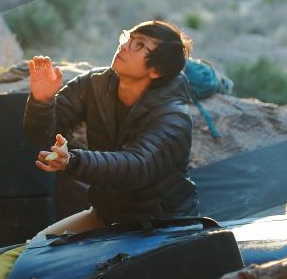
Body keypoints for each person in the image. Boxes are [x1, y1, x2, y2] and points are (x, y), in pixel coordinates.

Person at [26, 20, 199, 235]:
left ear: (156, 70)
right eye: (128, 38)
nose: (124, 46)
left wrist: (73, 161)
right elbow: (42, 136)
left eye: (139, 45)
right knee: (39, 246)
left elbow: (137, 166)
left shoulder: (174, 117)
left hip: (161, 226)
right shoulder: (94, 84)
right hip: (108, 216)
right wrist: (42, 101)